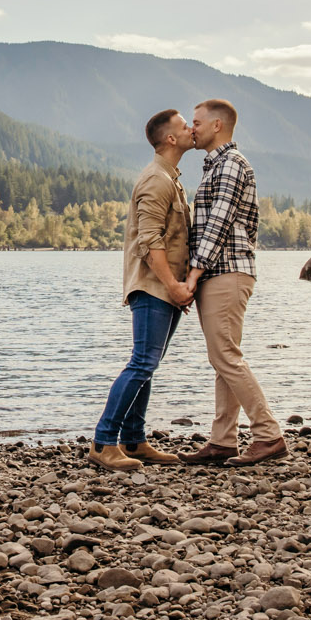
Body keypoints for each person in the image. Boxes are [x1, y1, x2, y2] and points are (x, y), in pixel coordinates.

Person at [176, 98, 285, 466]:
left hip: (226, 271)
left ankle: (268, 434)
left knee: (225, 356)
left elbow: (218, 225)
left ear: (217, 125)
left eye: (197, 122)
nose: (193, 129)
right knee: (223, 358)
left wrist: (193, 273)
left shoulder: (231, 166)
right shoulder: (216, 166)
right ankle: (223, 440)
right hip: (220, 271)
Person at [88, 108, 196, 472]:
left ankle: (133, 440)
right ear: (170, 138)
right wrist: (173, 286)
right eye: (185, 126)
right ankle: (104, 442)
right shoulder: (156, 180)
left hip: (165, 288)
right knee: (142, 363)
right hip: (154, 287)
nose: (191, 129)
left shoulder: (170, 177)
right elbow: (149, 243)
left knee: (147, 365)